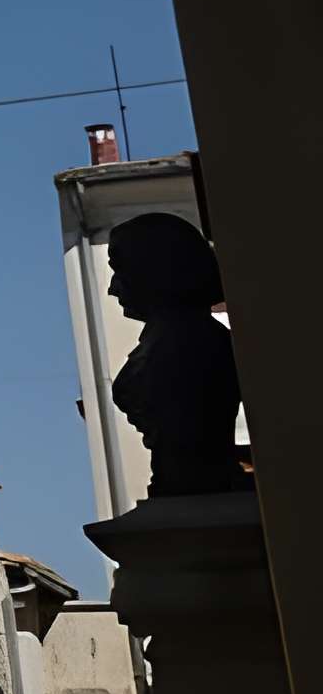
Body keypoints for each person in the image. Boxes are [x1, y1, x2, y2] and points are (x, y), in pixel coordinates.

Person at [107, 212, 246, 494]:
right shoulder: (173, 339)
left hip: (198, 490)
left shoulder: (190, 343)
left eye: (119, 270)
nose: (112, 288)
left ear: (156, 269)